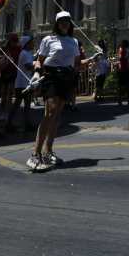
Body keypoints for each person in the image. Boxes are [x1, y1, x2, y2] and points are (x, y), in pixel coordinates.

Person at [28, 11, 84, 172]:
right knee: (50, 112)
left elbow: (76, 64)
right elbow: (39, 60)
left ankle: (48, 151)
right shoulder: (48, 39)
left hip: (66, 78)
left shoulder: (73, 41)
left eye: (67, 21)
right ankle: (35, 154)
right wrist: (37, 73)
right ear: (57, 23)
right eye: (61, 21)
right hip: (51, 76)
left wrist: (94, 58)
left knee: (57, 115)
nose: (64, 23)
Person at [7, 36, 36, 132]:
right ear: (27, 44)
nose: (33, 44)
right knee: (19, 104)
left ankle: (25, 123)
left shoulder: (27, 53)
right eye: (31, 42)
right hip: (22, 83)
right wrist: (37, 66)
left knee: (25, 104)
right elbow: (28, 66)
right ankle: (10, 123)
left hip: (25, 82)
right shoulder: (24, 53)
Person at [116, 39, 129, 106]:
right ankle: (128, 100)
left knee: (121, 85)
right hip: (128, 69)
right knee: (128, 85)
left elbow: (120, 58)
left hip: (123, 70)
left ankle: (120, 100)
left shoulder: (121, 50)